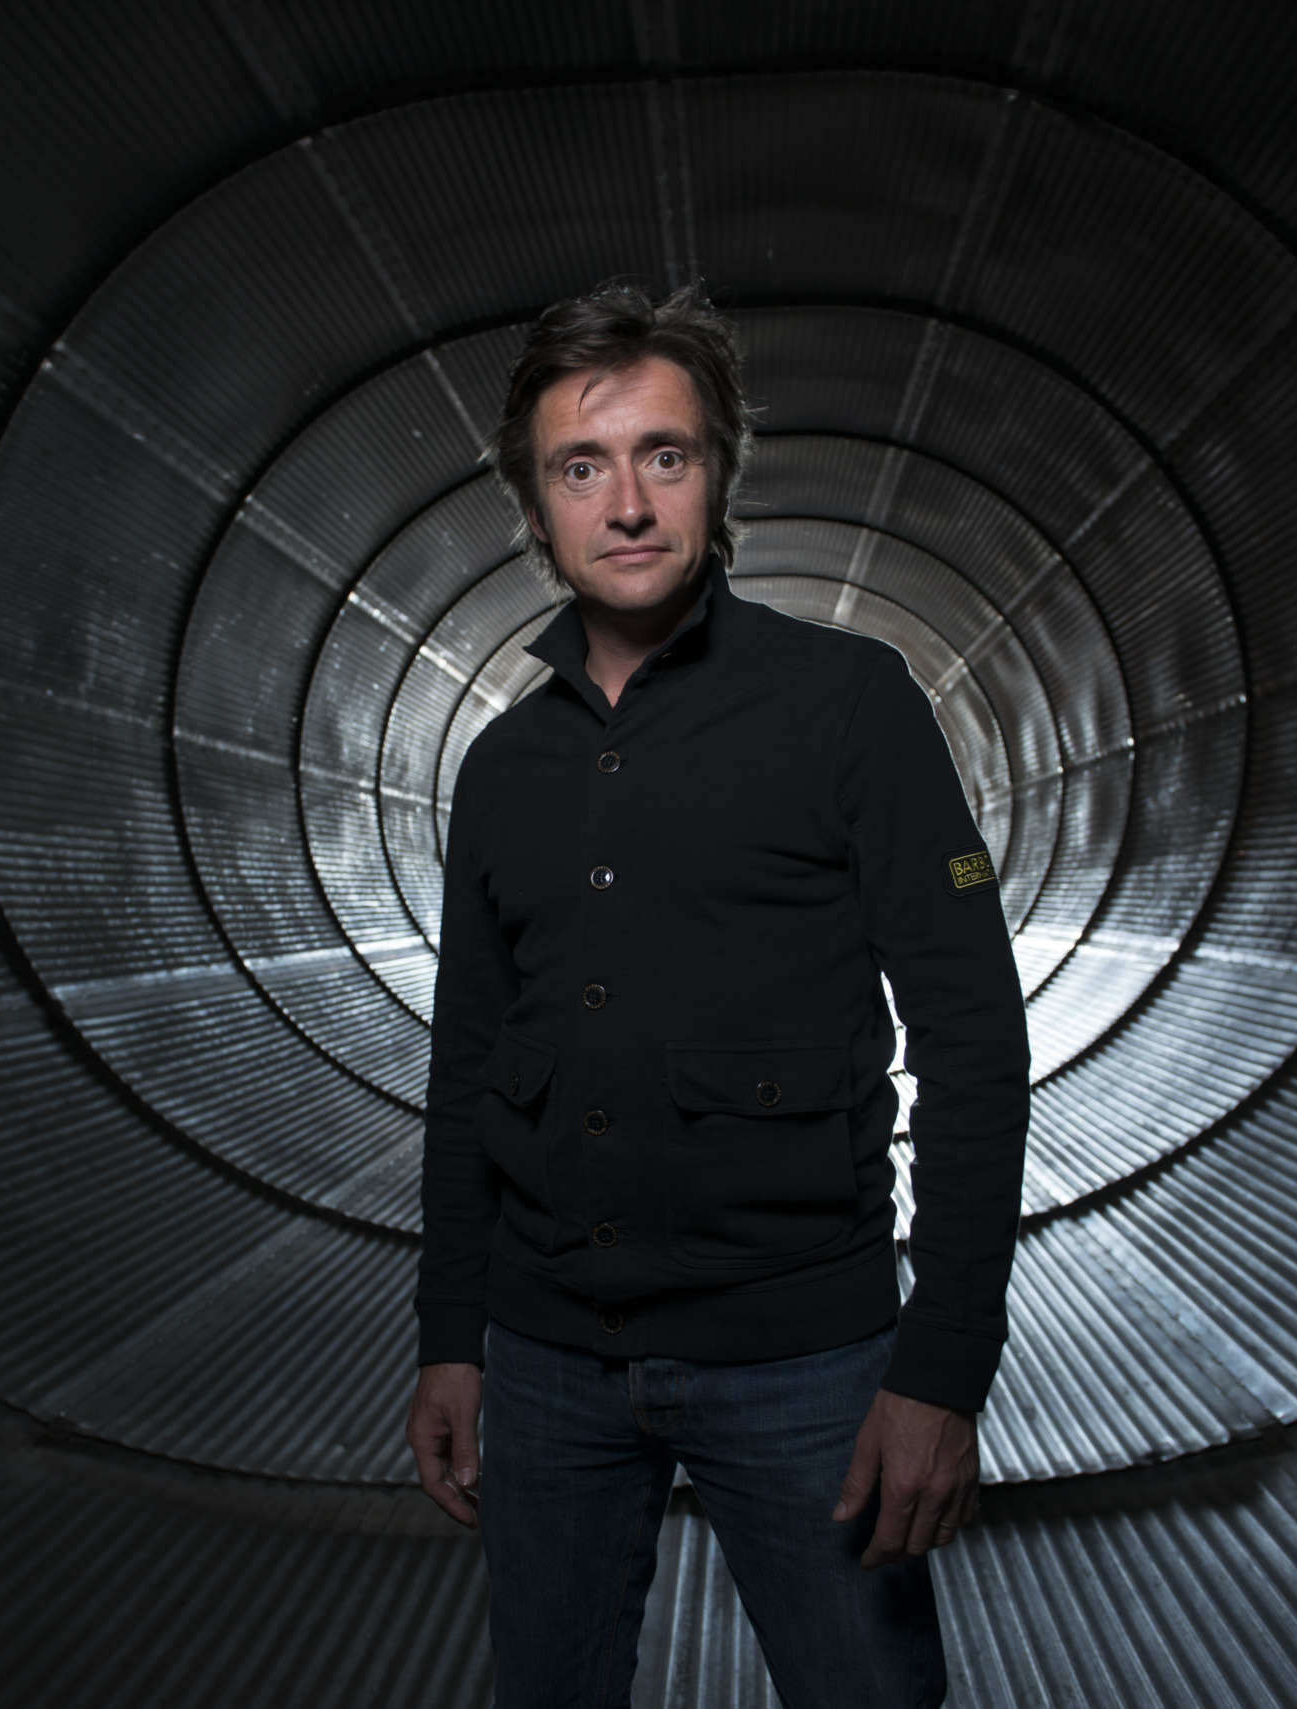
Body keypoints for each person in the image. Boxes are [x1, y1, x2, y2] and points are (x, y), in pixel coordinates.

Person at [405, 283, 1031, 1709]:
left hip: (808, 1361)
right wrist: (453, 1332)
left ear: (718, 475)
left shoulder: (852, 706)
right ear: (538, 502)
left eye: (663, 456)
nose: (627, 502)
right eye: (584, 465)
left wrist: (943, 1363)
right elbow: (470, 1066)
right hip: (547, 1362)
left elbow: (974, 1041)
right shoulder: (503, 770)